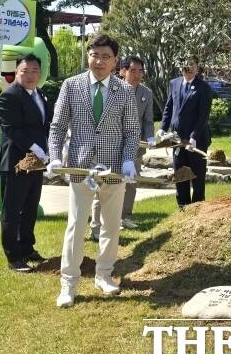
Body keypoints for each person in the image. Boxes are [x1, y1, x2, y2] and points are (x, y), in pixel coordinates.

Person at [47, 34, 140, 308]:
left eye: (106, 57)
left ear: (115, 61)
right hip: (81, 168)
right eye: (95, 55)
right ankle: (69, 283)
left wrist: (127, 160)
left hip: (113, 171)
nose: (99, 61)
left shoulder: (124, 91)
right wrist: (54, 157)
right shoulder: (71, 86)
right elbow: (57, 127)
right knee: (76, 225)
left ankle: (104, 275)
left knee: (111, 225)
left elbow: (132, 131)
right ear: (88, 56)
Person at [0, 53, 53, 272]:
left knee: (30, 208)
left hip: (36, 162)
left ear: (40, 73)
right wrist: (34, 147)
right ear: (16, 72)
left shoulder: (40, 94)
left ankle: (27, 248)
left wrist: (50, 147)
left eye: (34, 71)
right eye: (25, 71)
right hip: (15, 162)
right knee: (13, 210)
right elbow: (12, 129)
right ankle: (13, 257)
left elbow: (45, 124)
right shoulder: (8, 97)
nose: (30, 75)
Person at [89, 56, 155, 240]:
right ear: (122, 71)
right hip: (110, 148)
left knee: (131, 184)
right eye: (133, 70)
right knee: (102, 185)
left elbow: (148, 121)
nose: (137, 75)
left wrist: (150, 136)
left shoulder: (146, 93)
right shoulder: (111, 89)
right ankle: (96, 227)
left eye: (140, 71)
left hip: (134, 148)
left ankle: (125, 217)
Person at [159, 57, 212, 207]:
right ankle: (182, 208)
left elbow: (203, 116)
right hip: (177, 139)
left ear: (196, 67)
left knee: (197, 177)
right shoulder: (174, 83)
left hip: (197, 140)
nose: (187, 68)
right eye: (184, 65)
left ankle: (197, 208)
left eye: (191, 65)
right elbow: (169, 107)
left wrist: (194, 137)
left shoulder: (203, 88)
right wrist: (163, 127)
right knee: (180, 175)